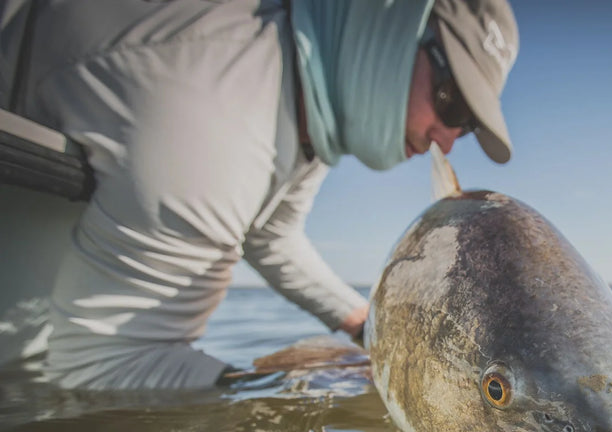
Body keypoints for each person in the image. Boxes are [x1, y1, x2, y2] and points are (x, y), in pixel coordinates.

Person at [0, 0, 518, 389]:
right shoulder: (218, 120)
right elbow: (100, 363)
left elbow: (271, 236)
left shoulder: (307, 114)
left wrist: (365, 327)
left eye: (468, 125)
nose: (446, 139)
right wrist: (306, 387)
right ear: (395, 24)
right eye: (450, 104)